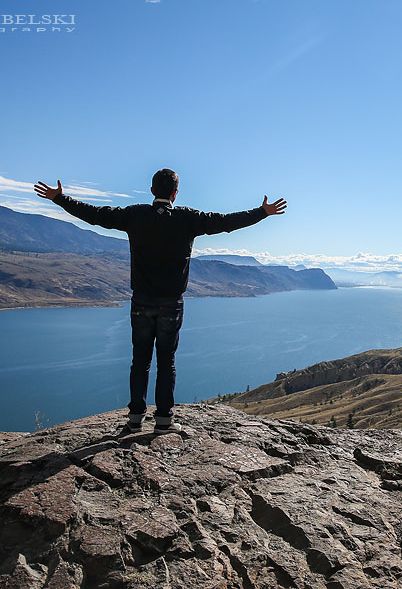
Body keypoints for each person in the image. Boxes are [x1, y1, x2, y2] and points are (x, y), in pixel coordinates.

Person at [34, 169, 286, 434]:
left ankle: (135, 418)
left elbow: (95, 215)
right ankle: (164, 420)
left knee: (139, 361)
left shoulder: (134, 215)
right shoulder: (188, 218)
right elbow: (225, 222)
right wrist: (262, 212)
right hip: (171, 304)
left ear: (152, 190)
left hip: (141, 302)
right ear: (175, 193)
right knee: (167, 362)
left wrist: (60, 199)